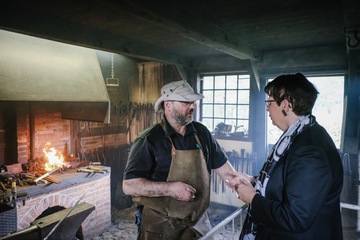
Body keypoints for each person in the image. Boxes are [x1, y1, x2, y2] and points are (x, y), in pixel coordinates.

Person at [228, 73, 343, 240]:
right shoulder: (296, 136)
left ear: (286, 105)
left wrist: (253, 198)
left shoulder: (310, 151)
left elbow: (296, 218)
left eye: (269, 103)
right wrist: (253, 180)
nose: (267, 109)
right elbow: (290, 182)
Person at [122, 80, 237, 240]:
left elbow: (226, 171)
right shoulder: (149, 140)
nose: (192, 106)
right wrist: (170, 189)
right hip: (161, 226)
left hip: (197, 224)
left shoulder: (201, 133)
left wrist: (243, 183)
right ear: (168, 104)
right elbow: (129, 186)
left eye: (193, 102)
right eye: (186, 102)